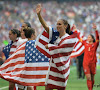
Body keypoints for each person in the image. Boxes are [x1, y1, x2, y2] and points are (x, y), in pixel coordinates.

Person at [36, 4, 77, 90]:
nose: (57, 26)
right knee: (47, 87)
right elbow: (46, 26)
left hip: (62, 68)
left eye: (60, 24)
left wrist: (50, 46)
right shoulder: (55, 35)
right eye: (57, 24)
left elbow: (62, 49)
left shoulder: (68, 38)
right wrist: (39, 15)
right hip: (53, 67)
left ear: (65, 26)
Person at [79, 24, 99, 90]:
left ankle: (91, 88)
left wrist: (96, 30)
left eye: (89, 37)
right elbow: (79, 38)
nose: (88, 38)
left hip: (93, 63)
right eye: (88, 37)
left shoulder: (95, 45)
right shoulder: (85, 43)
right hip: (86, 63)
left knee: (92, 78)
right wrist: (75, 30)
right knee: (88, 78)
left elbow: (98, 38)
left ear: (92, 39)